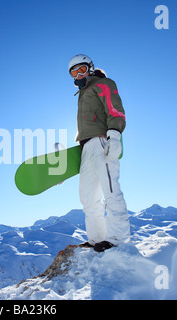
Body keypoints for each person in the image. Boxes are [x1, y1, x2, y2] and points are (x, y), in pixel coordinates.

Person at [68, 54, 130, 252]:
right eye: (73, 72)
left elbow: (115, 109)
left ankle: (117, 238)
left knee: (110, 190)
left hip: (102, 141)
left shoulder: (103, 84)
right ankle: (96, 238)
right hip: (86, 146)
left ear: (91, 68)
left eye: (82, 69)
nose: (78, 75)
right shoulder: (83, 93)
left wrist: (114, 134)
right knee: (87, 196)